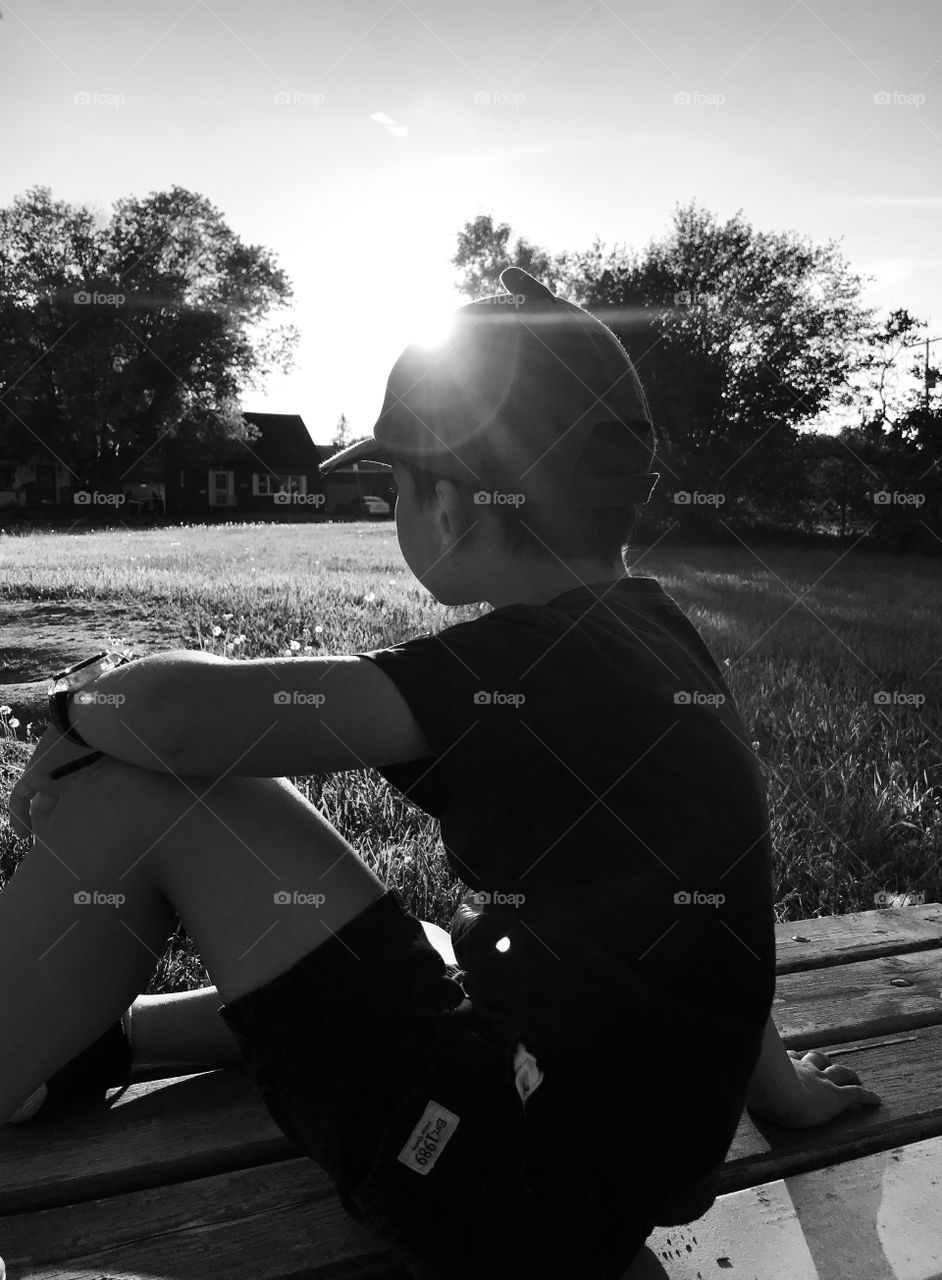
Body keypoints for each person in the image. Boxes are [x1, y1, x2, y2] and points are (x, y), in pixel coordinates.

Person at [2, 268, 880, 1279]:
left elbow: (177, 720)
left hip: (497, 1179)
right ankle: (109, 1042)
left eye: (395, 489)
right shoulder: (653, 637)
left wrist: (74, 704)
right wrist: (783, 1093)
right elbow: (711, 911)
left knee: (145, 795)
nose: (394, 511)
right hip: (595, 1162)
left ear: (454, 508)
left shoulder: (524, 668)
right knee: (427, 945)